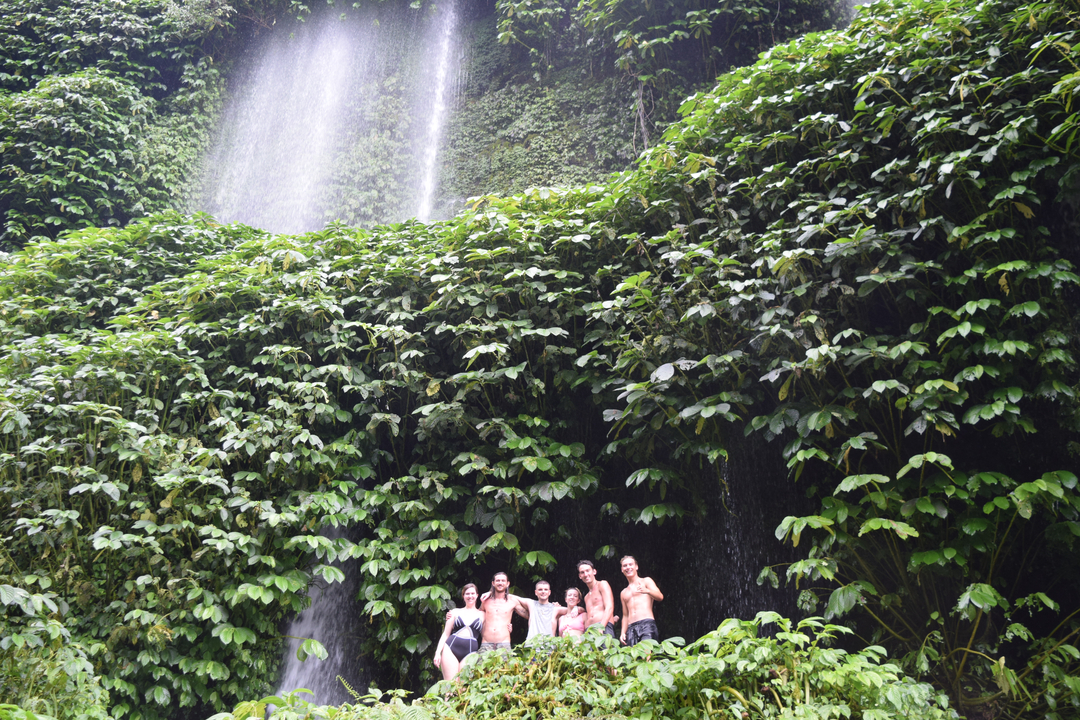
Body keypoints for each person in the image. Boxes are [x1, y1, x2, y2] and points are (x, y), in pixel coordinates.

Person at [433, 583, 485, 680]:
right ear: (463, 596)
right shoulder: (454, 612)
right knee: (450, 687)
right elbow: (445, 634)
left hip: (470, 652)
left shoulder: (483, 615)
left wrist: (508, 627)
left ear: (477, 595)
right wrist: (437, 653)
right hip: (451, 648)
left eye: (472, 594)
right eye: (467, 594)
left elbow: (488, 633)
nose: (470, 596)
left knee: (463, 689)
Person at [618, 555, 664, 646]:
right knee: (634, 658)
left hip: (646, 623)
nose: (628, 567)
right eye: (625, 565)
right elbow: (625, 615)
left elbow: (660, 597)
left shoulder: (646, 581)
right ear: (622, 569)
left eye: (630, 564)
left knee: (647, 655)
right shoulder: (623, 592)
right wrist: (623, 632)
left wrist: (647, 591)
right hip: (631, 627)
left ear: (636, 567)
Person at [478, 571, 527, 652]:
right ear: (493, 583)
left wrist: (551, 609)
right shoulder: (485, 600)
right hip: (486, 643)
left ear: (508, 583)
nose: (500, 583)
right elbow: (476, 616)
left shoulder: (512, 601)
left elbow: (529, 615)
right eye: (498, 580)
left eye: (503, 581)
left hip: (504, 644)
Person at [577, 560, 617, 637]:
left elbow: (609, 607)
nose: (586, 574)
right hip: (589, 629)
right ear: (580, 576)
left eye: (588, 571)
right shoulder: (586, 597)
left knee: (606, 649)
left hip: (603, 626)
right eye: (582, 572)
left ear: (594, 572)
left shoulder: (602, 584)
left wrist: (601, 628)